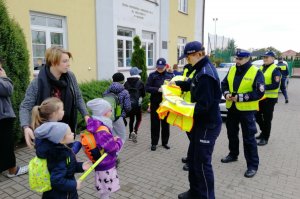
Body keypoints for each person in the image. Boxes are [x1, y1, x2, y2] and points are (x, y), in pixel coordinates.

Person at [172, 41, 222, 199]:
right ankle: (194, 192)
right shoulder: (200, 70)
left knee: (202, 164)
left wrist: (179, 107)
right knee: (194, 161)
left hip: (208, 125)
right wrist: (176, 84)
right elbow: (192, 84)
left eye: (188, 58)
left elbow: (203, 107)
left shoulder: (206, 75)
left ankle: (206, 196)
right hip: (199, 124)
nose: (187, 61)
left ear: (198, 54)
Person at [20, 46, 89, 149]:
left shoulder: (70, 77)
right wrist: (26, 127)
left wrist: (86, 115)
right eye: (65, 61)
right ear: (53, 62)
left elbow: (78, 97)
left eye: (68, 61)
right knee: (52, 162)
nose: (68, 64)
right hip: (47, 134)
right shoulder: (38, 82)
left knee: (68, 160)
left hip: (67, 130)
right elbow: (25, 106)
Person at [220, 49, 265, 178]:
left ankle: (252, 165)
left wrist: (240, 97)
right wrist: (226, 93)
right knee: (231, 133)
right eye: (236, 58)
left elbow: (260, 92)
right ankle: (233, 154)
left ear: (247, 59)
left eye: (239, 59)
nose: (237, 61)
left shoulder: (256, 72)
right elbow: (224, 84)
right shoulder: (233, 69)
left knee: (249, 138)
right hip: (232, 108)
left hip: (247, 110)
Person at [34, 122, 91, 199]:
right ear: (61, 139)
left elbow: (67, 167)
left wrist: (81, 166)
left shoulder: (64, 149)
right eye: (70, 133)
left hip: (67, 192)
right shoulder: (59, 156)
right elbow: (56, 180)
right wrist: (74, 185)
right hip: (61, 195)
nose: (73, 133)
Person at [86, 98, 123, 199]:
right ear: (104, 113)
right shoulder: (102, 129)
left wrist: (111, 139)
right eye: (110, 110)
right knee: (106, 189)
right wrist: (119, 141)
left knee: (104, 187)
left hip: (100, 162)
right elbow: (112, 148)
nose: (111, 111)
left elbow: (103, 142)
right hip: (106, 164)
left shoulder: (96, 123)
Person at [0, 58, 28, 178]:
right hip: (3, 116)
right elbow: (7, 89)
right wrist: (4, 77)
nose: (1, 70)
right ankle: (13, 170)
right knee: (6, 144)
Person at [146, 58, 174, 151]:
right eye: (158, 67)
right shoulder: (152, 75)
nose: (160, 69)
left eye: (161, 67)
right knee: (155, 124)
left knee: (165, 124)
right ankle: (154, 143)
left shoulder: (170, 75)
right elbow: (147, 87)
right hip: (155, 102)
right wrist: (158, 89)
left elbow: (175, 88)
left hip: (166, 104)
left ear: (165, 66)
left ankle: (165, 142)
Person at [255, 51, 281, 146]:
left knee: (267, 119)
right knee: (256, 115)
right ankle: (263, 131)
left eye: (267, 57)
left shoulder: (276, 69)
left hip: (270, 99)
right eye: (264, 57)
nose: (265, 58)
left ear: (273, 58)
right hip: (261, 98)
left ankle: (265, 138)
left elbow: (275, 85)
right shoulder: (262, 67)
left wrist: (262, 87)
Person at [103, 72, 131, 146]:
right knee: (122, 137)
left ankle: (111, 153)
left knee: (112, 137)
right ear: (122, 81)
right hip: (119, 117)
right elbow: (128, 107)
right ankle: (115, 154)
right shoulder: (125, 92)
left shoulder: (107, 91)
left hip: (108, 117)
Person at [124, 67, 146, 143]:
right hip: (137, 104)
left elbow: (124, 93)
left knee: (131, 119)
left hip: (129, 104)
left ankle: (130, 134)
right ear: (137, 74)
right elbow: (144, 94)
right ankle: (135, 131)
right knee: (139, 119)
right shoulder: (140, 82)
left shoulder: (126, 83)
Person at [180, 63, 194, 171]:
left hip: (194, 107)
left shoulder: (199, 71)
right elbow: (185, 82)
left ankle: (192, 160)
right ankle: (191, 156)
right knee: (189, 133)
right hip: (185, 106)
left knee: (194, 136)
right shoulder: (187, 68)